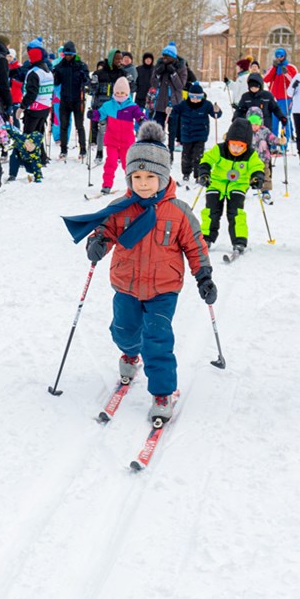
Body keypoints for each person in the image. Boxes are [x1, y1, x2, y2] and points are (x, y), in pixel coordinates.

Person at [63, 121, 214, 425]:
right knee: (124, 331)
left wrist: (204, 276)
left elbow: (195, 246)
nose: (143, 183)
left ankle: (162, 392)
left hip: (164, 289)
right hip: (126, 285)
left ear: (163, 177)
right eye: (137, 177)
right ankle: (130, 355)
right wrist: (97, 243)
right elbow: (105, 229)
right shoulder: (121, 207)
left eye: (150, 177)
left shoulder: (178, 211)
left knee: (157, 339)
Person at [196, 117, 265, 256]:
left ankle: (239, 240)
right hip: (216, 183)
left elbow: (257, 167)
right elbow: (207, 159)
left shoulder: (250, 155)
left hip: (238, 185)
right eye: (233, 144)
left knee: (236, 213)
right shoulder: (219, 149)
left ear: (246, 145)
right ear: (228, 141)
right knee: (211, 211)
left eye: (241, 146)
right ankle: (206, 237)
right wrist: (204, 173)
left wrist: (257, 178)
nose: (236, 149)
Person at [89, 76, 145, 194]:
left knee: (127, 164)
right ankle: (107, 185)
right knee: (111, 162)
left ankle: (132, 186)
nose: (120, 95)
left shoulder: (132, 107)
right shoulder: (109, 105)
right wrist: (93, 114)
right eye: (117, 93)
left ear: (127, 93)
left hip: (127, 141)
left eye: (123, 93)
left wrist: (142, 120)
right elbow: (100, 114)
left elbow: (139, 115)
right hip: (112, 140)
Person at [170, 81, 222, 184]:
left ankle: (198, 175)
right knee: (186, 155)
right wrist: (170, 110)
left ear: (202, 97)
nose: (195, 100)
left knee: (198, 156)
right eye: (193, 97)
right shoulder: (184, 104)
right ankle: (186, 173)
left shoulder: (206, 105)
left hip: (200, 135)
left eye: (198, 97)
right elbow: (175, 111)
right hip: (186, 135)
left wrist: (217, 111)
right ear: (189, 96)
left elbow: (215, 114)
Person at [52, 41, 89, 160]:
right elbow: (56, 82)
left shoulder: (81, 65)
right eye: (66, 54)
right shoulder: (59, 66)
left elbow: (87, 81)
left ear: (74, 54)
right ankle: (63, 150)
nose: (68, 57)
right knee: (64, 125)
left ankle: (83, 149)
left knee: (79, 125)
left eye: (70, 54)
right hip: (65, 100)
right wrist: (55, 76)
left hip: (78, 100)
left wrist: (85, 77)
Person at [150, 42, 187, 152]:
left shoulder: (181, 67)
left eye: (167, 56)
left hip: (174, 104)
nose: (164, 58)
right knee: (158, 129)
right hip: (160, 103)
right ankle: (158, 149)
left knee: (173, 130)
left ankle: (170, 151)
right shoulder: (159, 66)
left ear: (173, 57)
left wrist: (173, 74)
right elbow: (153, 83)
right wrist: (157, 74)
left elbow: (180, 86)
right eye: (163, 55)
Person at [262, 47, 297, 145]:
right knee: (273, 122)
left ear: (284, 56)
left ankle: (284, 143)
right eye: (277, 56)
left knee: (284, 120)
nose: (279, 58)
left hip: (286, 98)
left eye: (281, 56)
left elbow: (294, 81)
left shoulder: (291, 67)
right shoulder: (273, 67)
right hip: (274, 98)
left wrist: (286, 73)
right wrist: (274, 67)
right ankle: (273, 144)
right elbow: (266, 79)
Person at [247, 112, 280, 203]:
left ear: (260, 123)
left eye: (256, 124)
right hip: (248, 159)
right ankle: (241, 190)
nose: (253, 127)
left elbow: (272, 138)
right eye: (251, 124)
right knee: (245, 175)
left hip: (262, 158)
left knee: (265, 174)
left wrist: (279, 141)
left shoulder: (264, 131)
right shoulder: (245, 131)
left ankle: (265, 191)